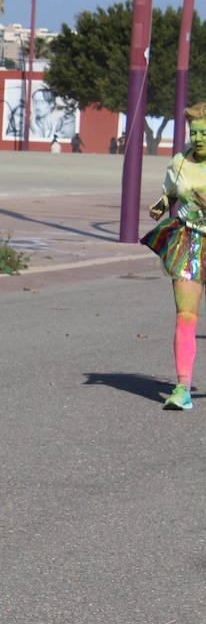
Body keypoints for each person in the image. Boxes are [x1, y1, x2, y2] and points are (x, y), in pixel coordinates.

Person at [141, 103, 206, 410]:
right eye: (195, 132)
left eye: (204, 132)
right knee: (185, 316)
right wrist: (159, 204)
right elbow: (169, 191)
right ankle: (182, 388)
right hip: (190, 242)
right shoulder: (180, 161)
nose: (199, 138)